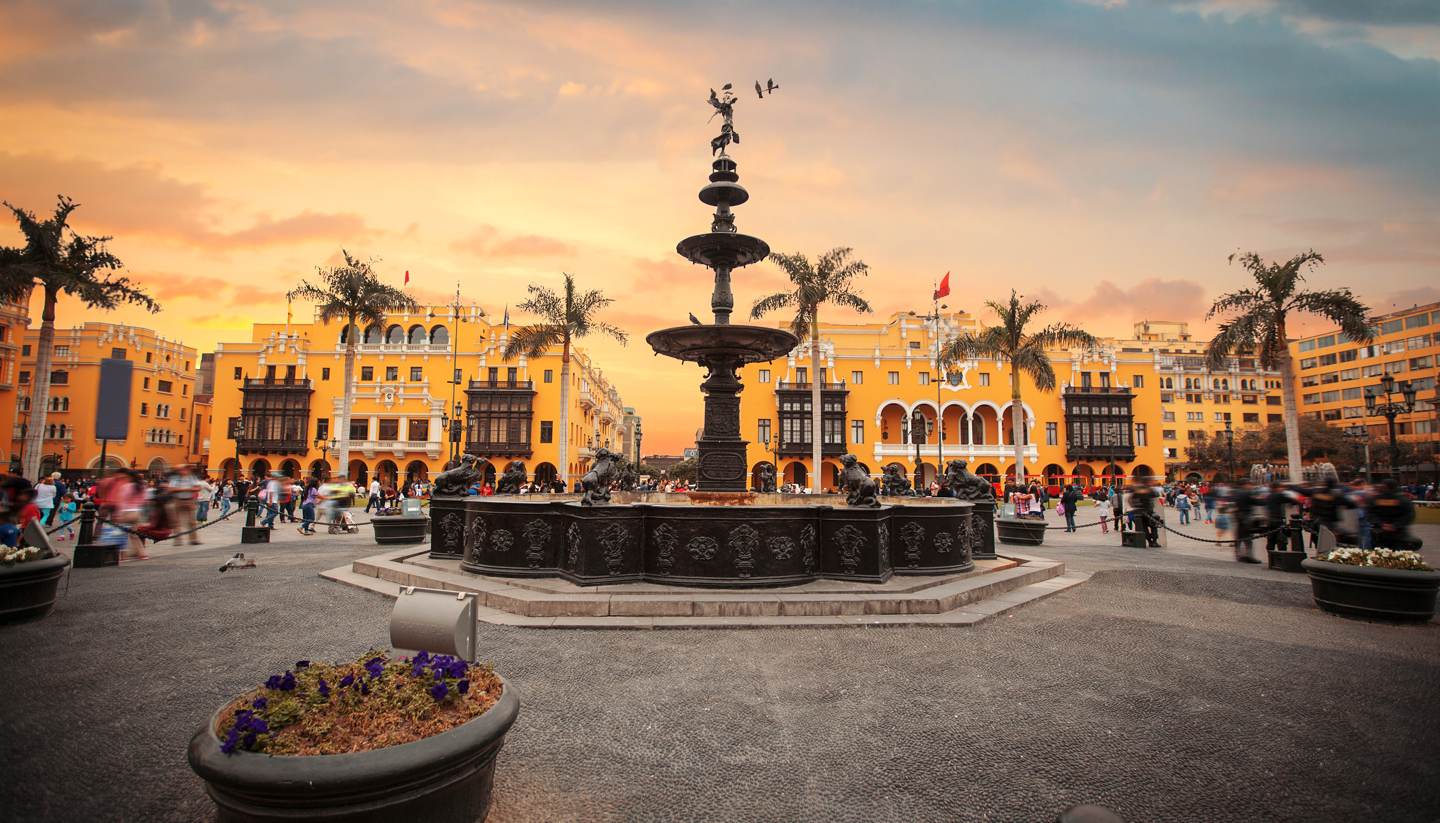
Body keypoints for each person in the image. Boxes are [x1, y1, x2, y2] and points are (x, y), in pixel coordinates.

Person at [166, 464, 203, 545]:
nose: (184, 471)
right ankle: (178, 540)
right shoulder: (175, 478)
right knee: (176, 522)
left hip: (189, 500)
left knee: (192, 521)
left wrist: (181, 489)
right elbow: (170, 489)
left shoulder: (192, 477)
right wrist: (188, 489)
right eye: (182, 469)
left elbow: (198, 488)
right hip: (177, 500)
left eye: (185, 469)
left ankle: (193, 539)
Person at [1231, 478, 1261, 563]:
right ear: (1245, 484)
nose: (1251, 486)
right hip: (1246, 517)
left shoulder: (1236, 492)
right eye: (1250, 484)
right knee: (1248, 537)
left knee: (1239, 537)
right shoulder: (1246, 493)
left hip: (1238, 516)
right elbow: (1257, 502)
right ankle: (1249, 556)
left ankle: (1239, 555)